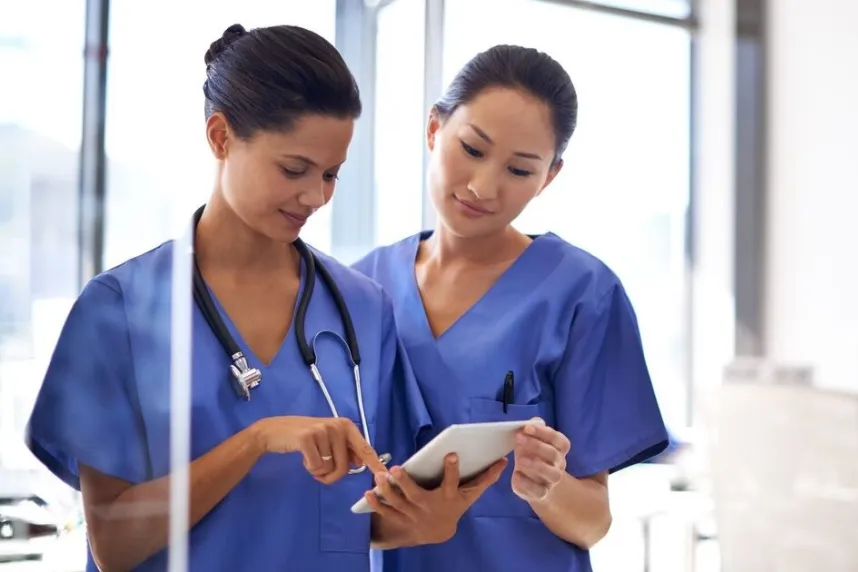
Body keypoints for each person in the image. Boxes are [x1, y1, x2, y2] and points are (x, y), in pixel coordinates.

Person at [25, 24, 504, 572]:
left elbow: (361, 516)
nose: (315, 196)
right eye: (293, 169)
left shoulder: (363, 310)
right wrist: (256, 440)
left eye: (331, 174)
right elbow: (114, 547)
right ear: (221, 137)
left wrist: (428, 522)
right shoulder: (118, 310)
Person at [352, 44, 670, 572]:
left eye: (520, 171)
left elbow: (592, 521)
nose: (483, 187)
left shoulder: (582, 293)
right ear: (434, 129)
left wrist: (545, 487)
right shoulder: (363, 287)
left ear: (548, 177)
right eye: (472, 150)